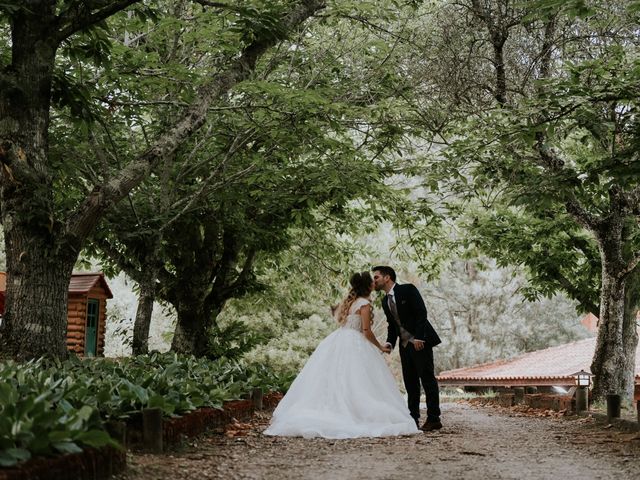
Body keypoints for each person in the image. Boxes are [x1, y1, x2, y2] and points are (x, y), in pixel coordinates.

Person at [264, 271, 419, 438]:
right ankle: (356, 414)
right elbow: (366, 331)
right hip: (356, 342)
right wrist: (380, 347)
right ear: (368, 286)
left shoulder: (349, 302)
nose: (374, 283)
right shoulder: (364, 304)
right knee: (358, 379)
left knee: (340, 377)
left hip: (340, 339)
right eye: (372, 281)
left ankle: (340, 410)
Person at [372, 265, 443, 431]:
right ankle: (413, 420)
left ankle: (434, 419)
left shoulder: (408, 290)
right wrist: (390, 343)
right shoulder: (384, 301)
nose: (373, 281)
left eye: (376, 277)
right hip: (404, 346)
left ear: (387, 277)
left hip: (420, 342)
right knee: (410, 383)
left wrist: (419, 337)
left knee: (427, 379)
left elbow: (421, 313)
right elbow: (392, 325)